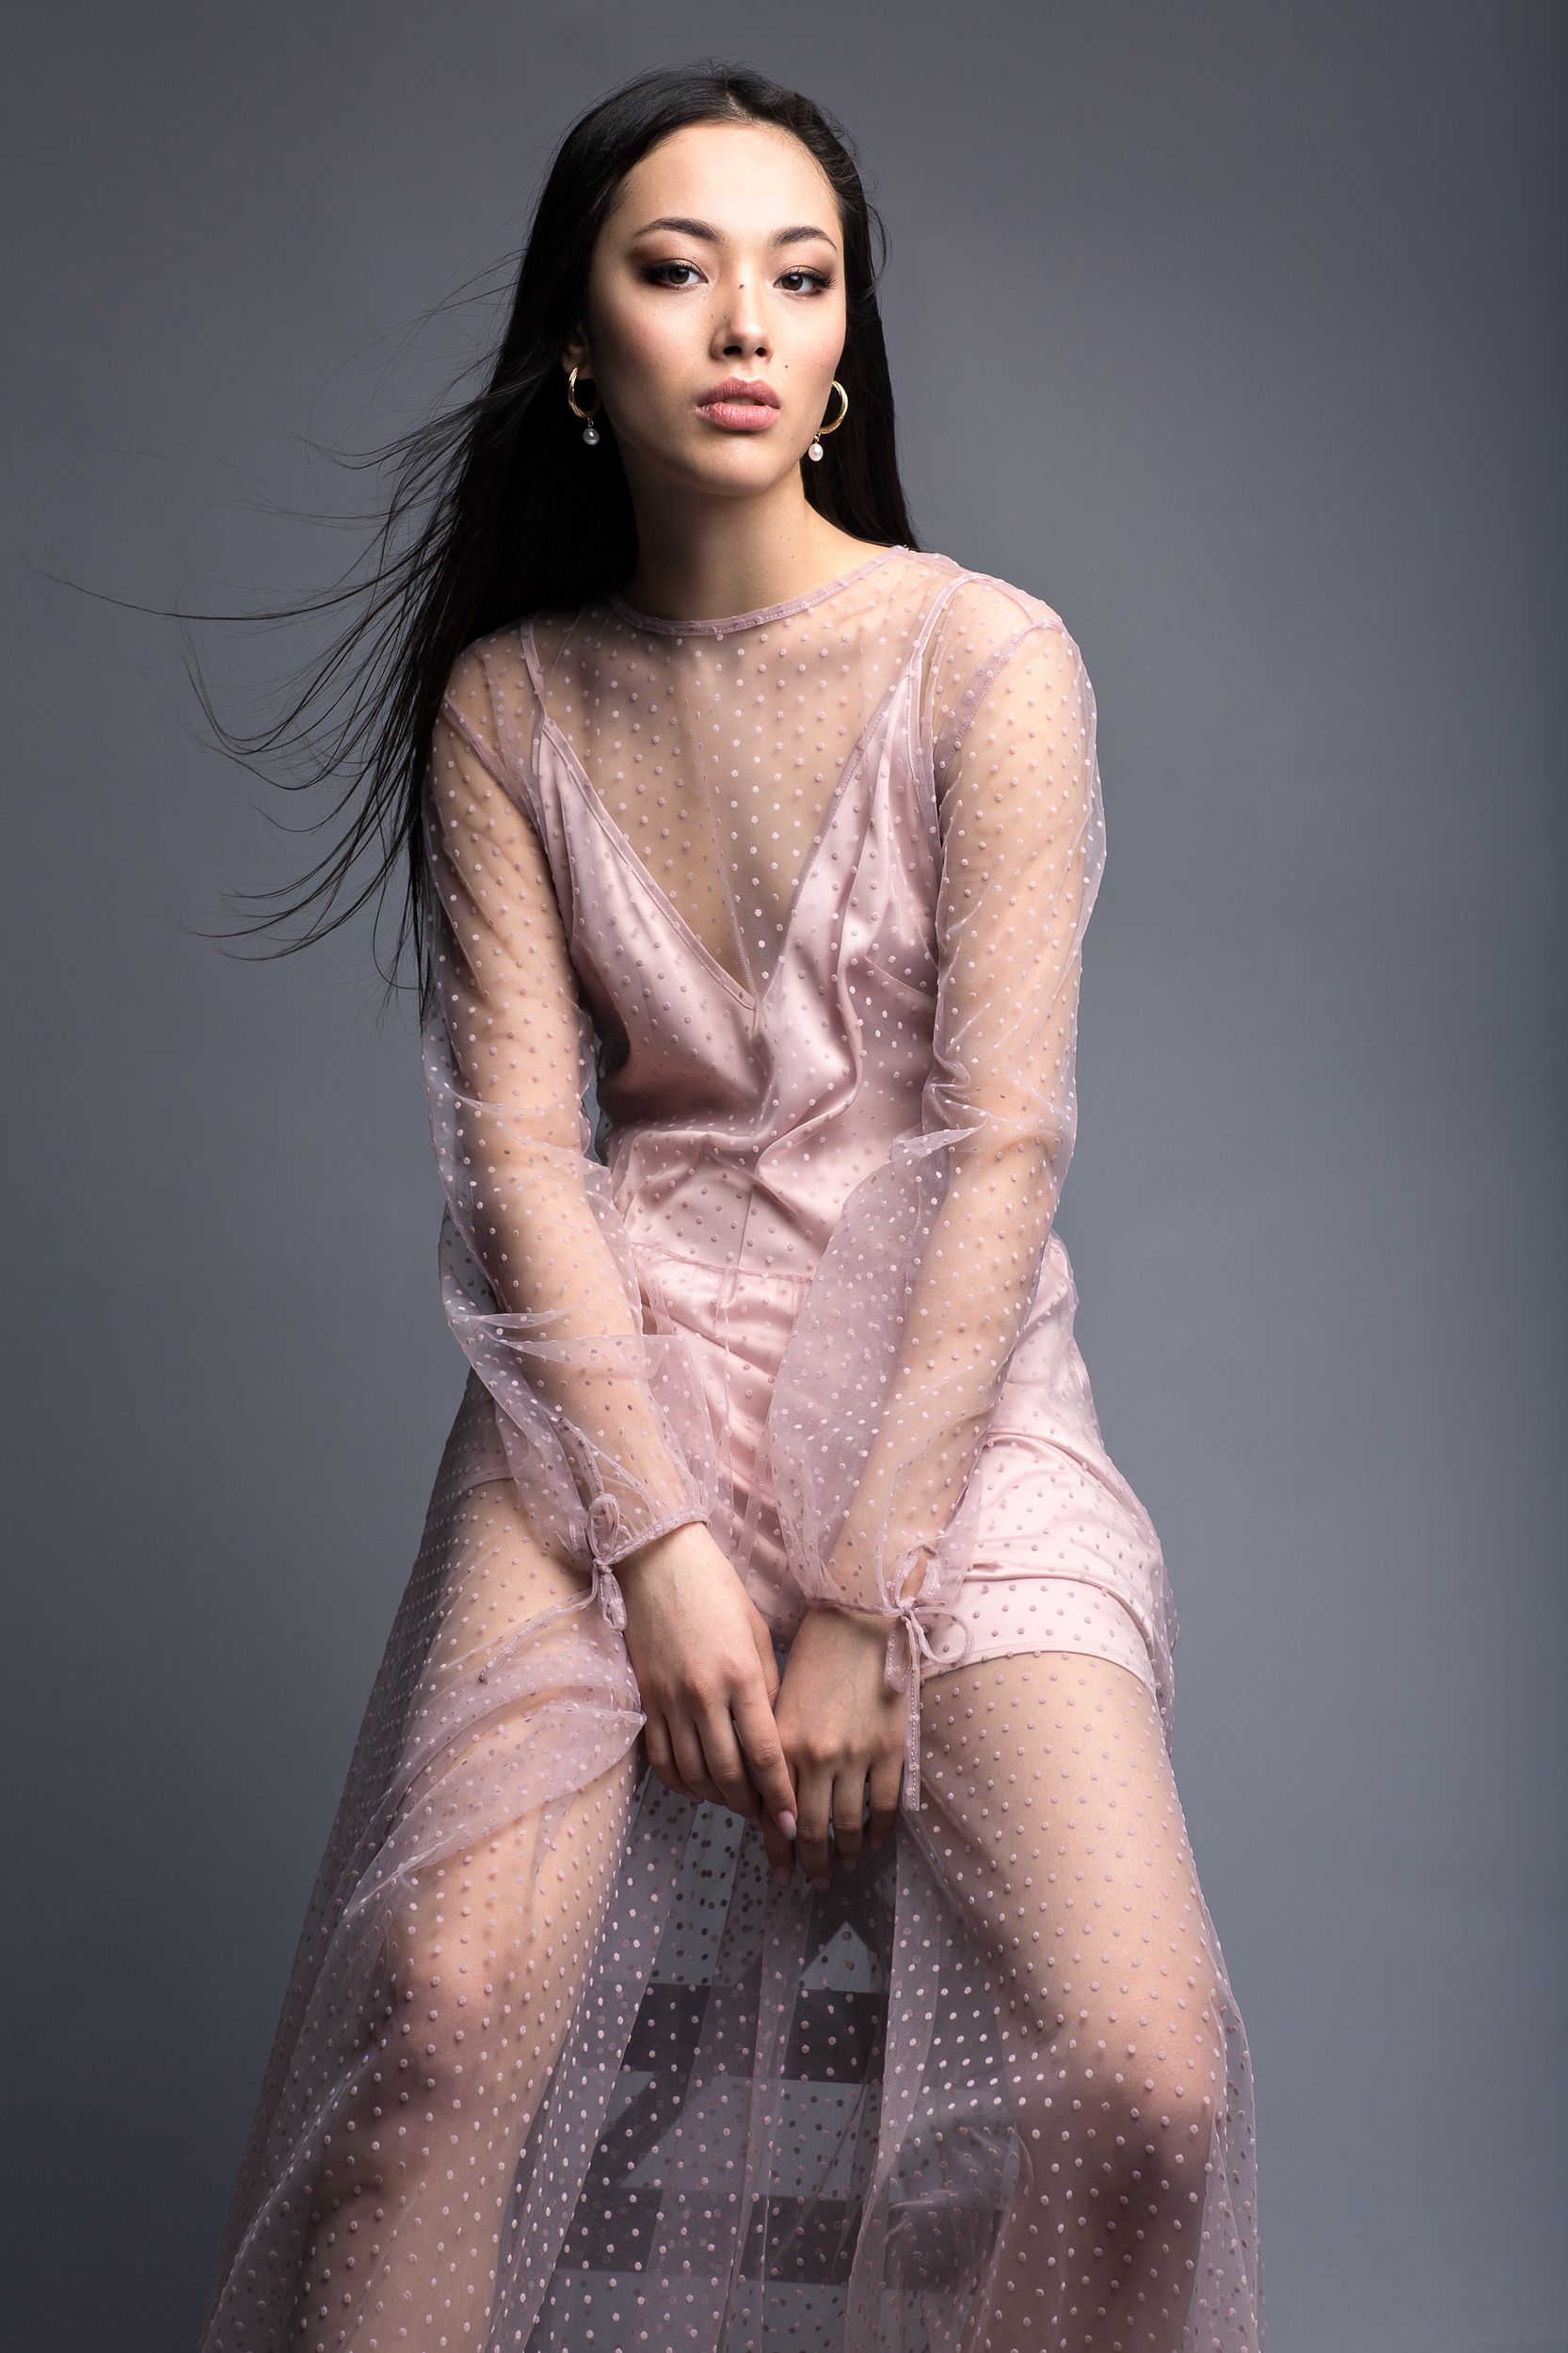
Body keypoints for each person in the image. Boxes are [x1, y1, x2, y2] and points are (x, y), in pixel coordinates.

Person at [197, 60, 1265, 2353]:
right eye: (676, 271)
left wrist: (864, 1589)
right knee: (439, 2009)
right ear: (579, 346)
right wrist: (660, 1539)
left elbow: (999, 1146)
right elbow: (515, 1159)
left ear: (847, 340)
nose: (745, 323)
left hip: (945, 1402)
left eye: (800, 274)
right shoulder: (507, 706)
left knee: (1143, 2062)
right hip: (621, 1377)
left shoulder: (990, 662)